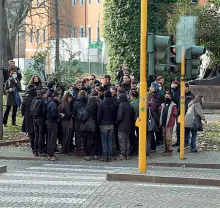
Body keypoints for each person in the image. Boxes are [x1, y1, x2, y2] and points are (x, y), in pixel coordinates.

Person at [97, 91, 118, 162]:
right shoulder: (114, 104)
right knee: (110, 140)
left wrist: (99, 123)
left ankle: (105, 156)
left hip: (103, 124)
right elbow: (116, 115)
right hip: (111, 124)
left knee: (104, 140)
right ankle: (109, 156)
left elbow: (99, 115)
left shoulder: (101, 104)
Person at [46, 92, 65, 161]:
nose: (59, 98)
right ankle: (51, 154)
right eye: (59, 97)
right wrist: (60, 115)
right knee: (52, 139)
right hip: (53, 122)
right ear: (56, 97)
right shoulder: (53, 104)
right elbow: (53, 114)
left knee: (49, 138)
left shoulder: (49, 102)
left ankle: (50, 153)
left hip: (49, 122)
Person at [116, 93, 134, 160]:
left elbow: (119, 116)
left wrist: (116, 123)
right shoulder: (130, 105)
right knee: (127, 140)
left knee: (122, 140)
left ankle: (123, 154)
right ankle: (127, 154)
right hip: (129, 125)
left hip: (122, 126)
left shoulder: (121, 105)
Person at [81, 96, 99, 161]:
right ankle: (95, 154)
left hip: (89, 126)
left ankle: (88, 155)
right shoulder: (98, 106)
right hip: (96, 126)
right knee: (96, 141)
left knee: (88, 140)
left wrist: (82, 121)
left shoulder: (88, 107)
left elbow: (85, 117)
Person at [21, 85, 37, 153]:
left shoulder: (26, 98)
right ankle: (36, 147)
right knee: (36, 132)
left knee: (30, 132)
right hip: (35, 116)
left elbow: (22, 108)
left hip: (28, 116)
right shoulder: (36, 98)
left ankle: (33, 146)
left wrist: (23, 114)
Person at [30, 90, 47, 156]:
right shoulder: (42, 101)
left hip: (34, 118)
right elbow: (44, 111)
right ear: (43, 94)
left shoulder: (34, 100)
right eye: (45, 94)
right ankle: (40, 149)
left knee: (36, 135)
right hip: (40, 119)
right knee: (41, 135)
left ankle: (35, 150)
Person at [72, 90, 87, 156]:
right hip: (84, 121)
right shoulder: (87, 102)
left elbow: (73, 113)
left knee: (78, 136)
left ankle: (78, 151)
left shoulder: (76, 102)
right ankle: (85, 150)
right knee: (84, 136)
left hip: (77, 121)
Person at [129, 90, 139, 155]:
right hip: (141, 120)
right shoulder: (141, 101)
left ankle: (135, 149)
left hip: (133, 121)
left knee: (133, 135)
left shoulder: (131, 103)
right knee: (139, 135)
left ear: (131, 96)